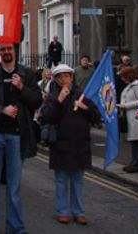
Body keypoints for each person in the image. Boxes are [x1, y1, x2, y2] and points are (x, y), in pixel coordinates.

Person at [0, 42, 42, 234]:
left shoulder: (26, 74)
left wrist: (21, 87)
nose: (6, 52)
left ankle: (16, 227)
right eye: (2, 50)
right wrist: (1, 110)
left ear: (14, 51)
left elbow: (37, 100)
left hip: (17, 135)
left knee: (14, 185)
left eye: (9, 49)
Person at [39, 64, 100, 225]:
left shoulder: (81, 95)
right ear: (56, 80)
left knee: (78, 180)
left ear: (72, 78)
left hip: (79, 143)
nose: (64, 80)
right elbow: (45, 117)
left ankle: (79, 211)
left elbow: (96, 116)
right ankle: (62, 211)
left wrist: (85, 108)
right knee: (61, 180)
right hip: (61, 144)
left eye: (67, 76)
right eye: (60, 77)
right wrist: (59, 101)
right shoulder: (52, 96)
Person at [117, 67, 138, 173]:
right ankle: (134, 162)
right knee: (134, 141)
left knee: (136, 141)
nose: (121, 78)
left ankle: (137, 164)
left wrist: (125, 105)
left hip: (135, 116)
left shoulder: (136, 86)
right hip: (130, 116)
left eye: (123, 76)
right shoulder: (131, 85)